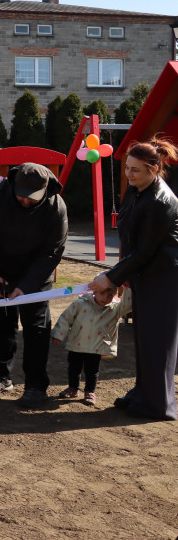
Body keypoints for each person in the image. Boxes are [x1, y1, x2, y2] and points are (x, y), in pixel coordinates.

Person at [89, 134, 178, 420]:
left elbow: (144, 251)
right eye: (127, 168)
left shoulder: (161, 202)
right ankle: (144, 393)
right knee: (143, 337)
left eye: (135, 170)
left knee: (159, 339)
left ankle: (158, 404)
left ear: (153, 169)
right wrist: (122, 275)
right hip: (143, 273)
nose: (128, 174)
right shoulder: (137, 189)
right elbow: (129, 239)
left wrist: (111, 278)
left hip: (164, 277)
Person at [0, 162, 68, 409]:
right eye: (21, 196)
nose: (26, 201)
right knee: (3, 323)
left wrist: (27, 286)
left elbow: (52, 252)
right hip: (2, 273)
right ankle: (1, 377)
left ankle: (36, 386)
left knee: (37, 329)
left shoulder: (56, 207)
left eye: (32, 199)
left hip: (36, 277)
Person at [52, 287, 133, 407]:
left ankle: (90, 391)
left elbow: (128, 304)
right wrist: (58, 334)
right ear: (94, 291)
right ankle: (73, 388)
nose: (105, 298)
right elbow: (66, 318)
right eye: (102, 293)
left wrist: (128, 287)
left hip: (97, 347)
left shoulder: (115, 308)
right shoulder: (80, 303)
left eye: (110, 295)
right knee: (74, 367)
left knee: (92, 370)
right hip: (77, 343)